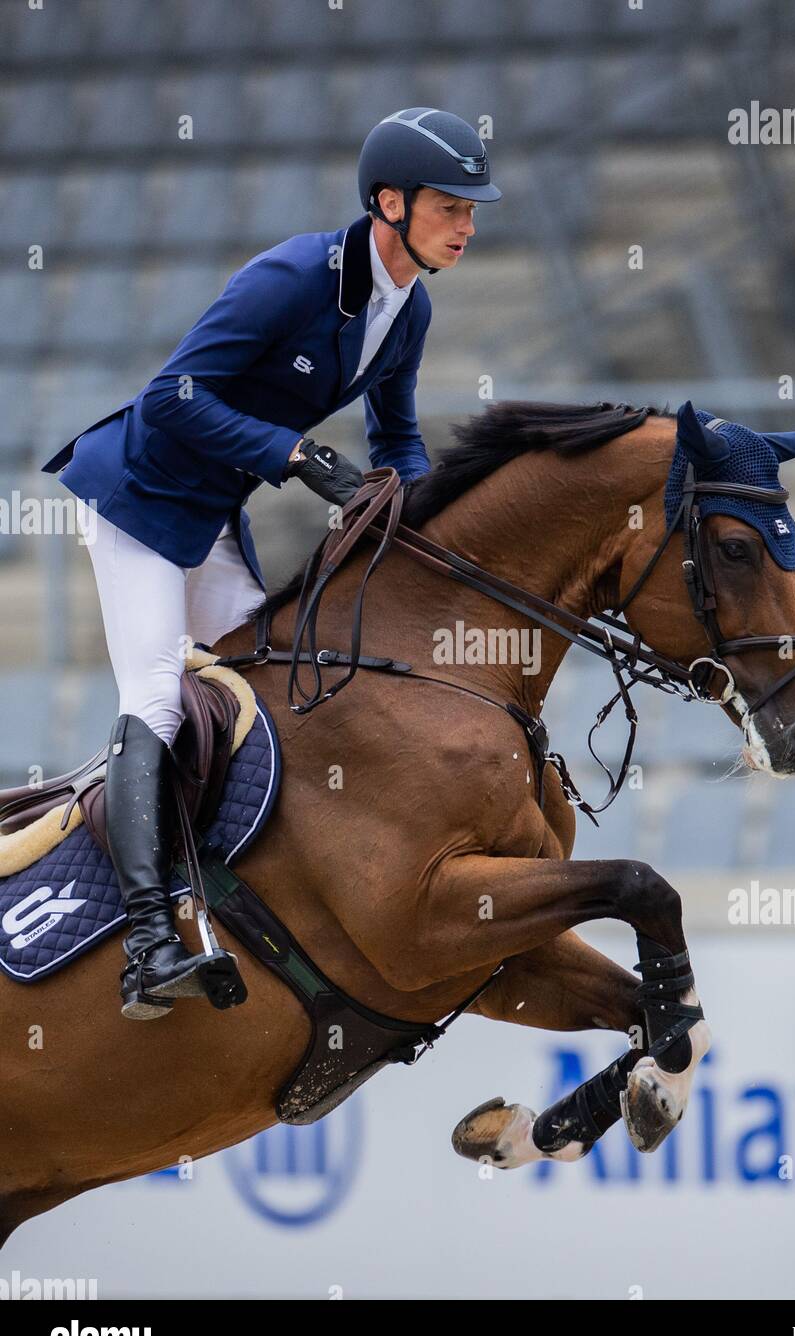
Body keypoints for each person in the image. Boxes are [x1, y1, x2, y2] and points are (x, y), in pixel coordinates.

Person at [40, 108, 501, 1020]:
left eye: (471, 208)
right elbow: (172, 396)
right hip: (137, 501)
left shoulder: (407, 306)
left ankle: (229, 886)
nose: (468, 225)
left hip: (209, 516)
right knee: (162, 696)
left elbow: (399, 438)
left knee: (278, 683)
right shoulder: (294, 275)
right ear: (388, 203)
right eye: (451, 205)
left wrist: (429, 532)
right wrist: (290, 455)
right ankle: (145, 940)